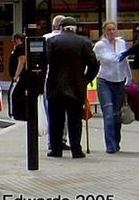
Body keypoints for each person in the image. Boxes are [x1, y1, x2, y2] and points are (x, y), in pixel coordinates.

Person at [44, 16, 98, 159]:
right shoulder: (84, 42)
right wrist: (85, 80)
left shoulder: (52, 41)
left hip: (55, 87)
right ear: (75, 28)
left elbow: (45, 62)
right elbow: (94, 65)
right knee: (75, 120)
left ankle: (56, 149)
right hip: (76, 87)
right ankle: (76, 149)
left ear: (60, 28)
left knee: (55, 120)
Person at [94, 21, 129, 153]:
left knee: (116, 114)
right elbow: (93, 61)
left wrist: (129, 78)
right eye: (109, 30)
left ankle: (116, 141)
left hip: (119, 81)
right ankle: (110, 145)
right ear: (104, 31)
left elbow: (124, 62)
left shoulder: (121, 43)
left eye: (113, 29)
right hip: (104, 81)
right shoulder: (99, 46)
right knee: (108, 114)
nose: (111, 32)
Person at [8, 34, 28, 120]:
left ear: (18, 39)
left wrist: (16, 75)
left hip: (20, 77)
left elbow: (21, 61)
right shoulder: (18, 48)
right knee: (18, 94)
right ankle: (18, 114)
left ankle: (16, 114)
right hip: (19, 76)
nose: (12, 41)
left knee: (14, 94)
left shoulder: (20, 48)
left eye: (13, 39)